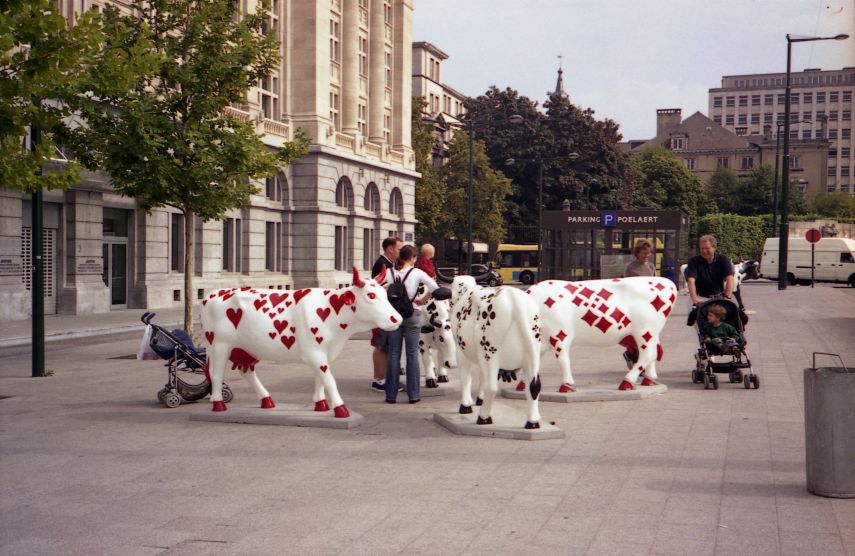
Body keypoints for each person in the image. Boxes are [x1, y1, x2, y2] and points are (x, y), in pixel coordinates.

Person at [381, 244, 439, 404]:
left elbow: (377, 287)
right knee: (412, 354)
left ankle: (390, 395)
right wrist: (423, 299)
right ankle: (413, 395)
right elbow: (435, 288)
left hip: (393, 316)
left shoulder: (389, 273)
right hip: (412, 313)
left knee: (393, 354)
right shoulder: (417, 272)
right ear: (413, 258)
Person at [370, 236, 402, 393]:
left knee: (384, 346)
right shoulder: (382, 265)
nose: (400, 252)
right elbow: (378, 289)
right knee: (381, 346)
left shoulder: (387, 264)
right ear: (390, 249)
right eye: (399, 249)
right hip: (380, 312)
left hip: (382, 311)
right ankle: (379, 380)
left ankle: (381, 378)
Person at [685, 235, 735, 306]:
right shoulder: (694, 261)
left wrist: (727, 297)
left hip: (719, 298)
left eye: (707, 248)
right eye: (702, 248)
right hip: (700, 298)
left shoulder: (723, 260)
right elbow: (690, 281)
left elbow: (730, 279)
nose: (704, 251)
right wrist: (695, 298)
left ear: (714, 248)